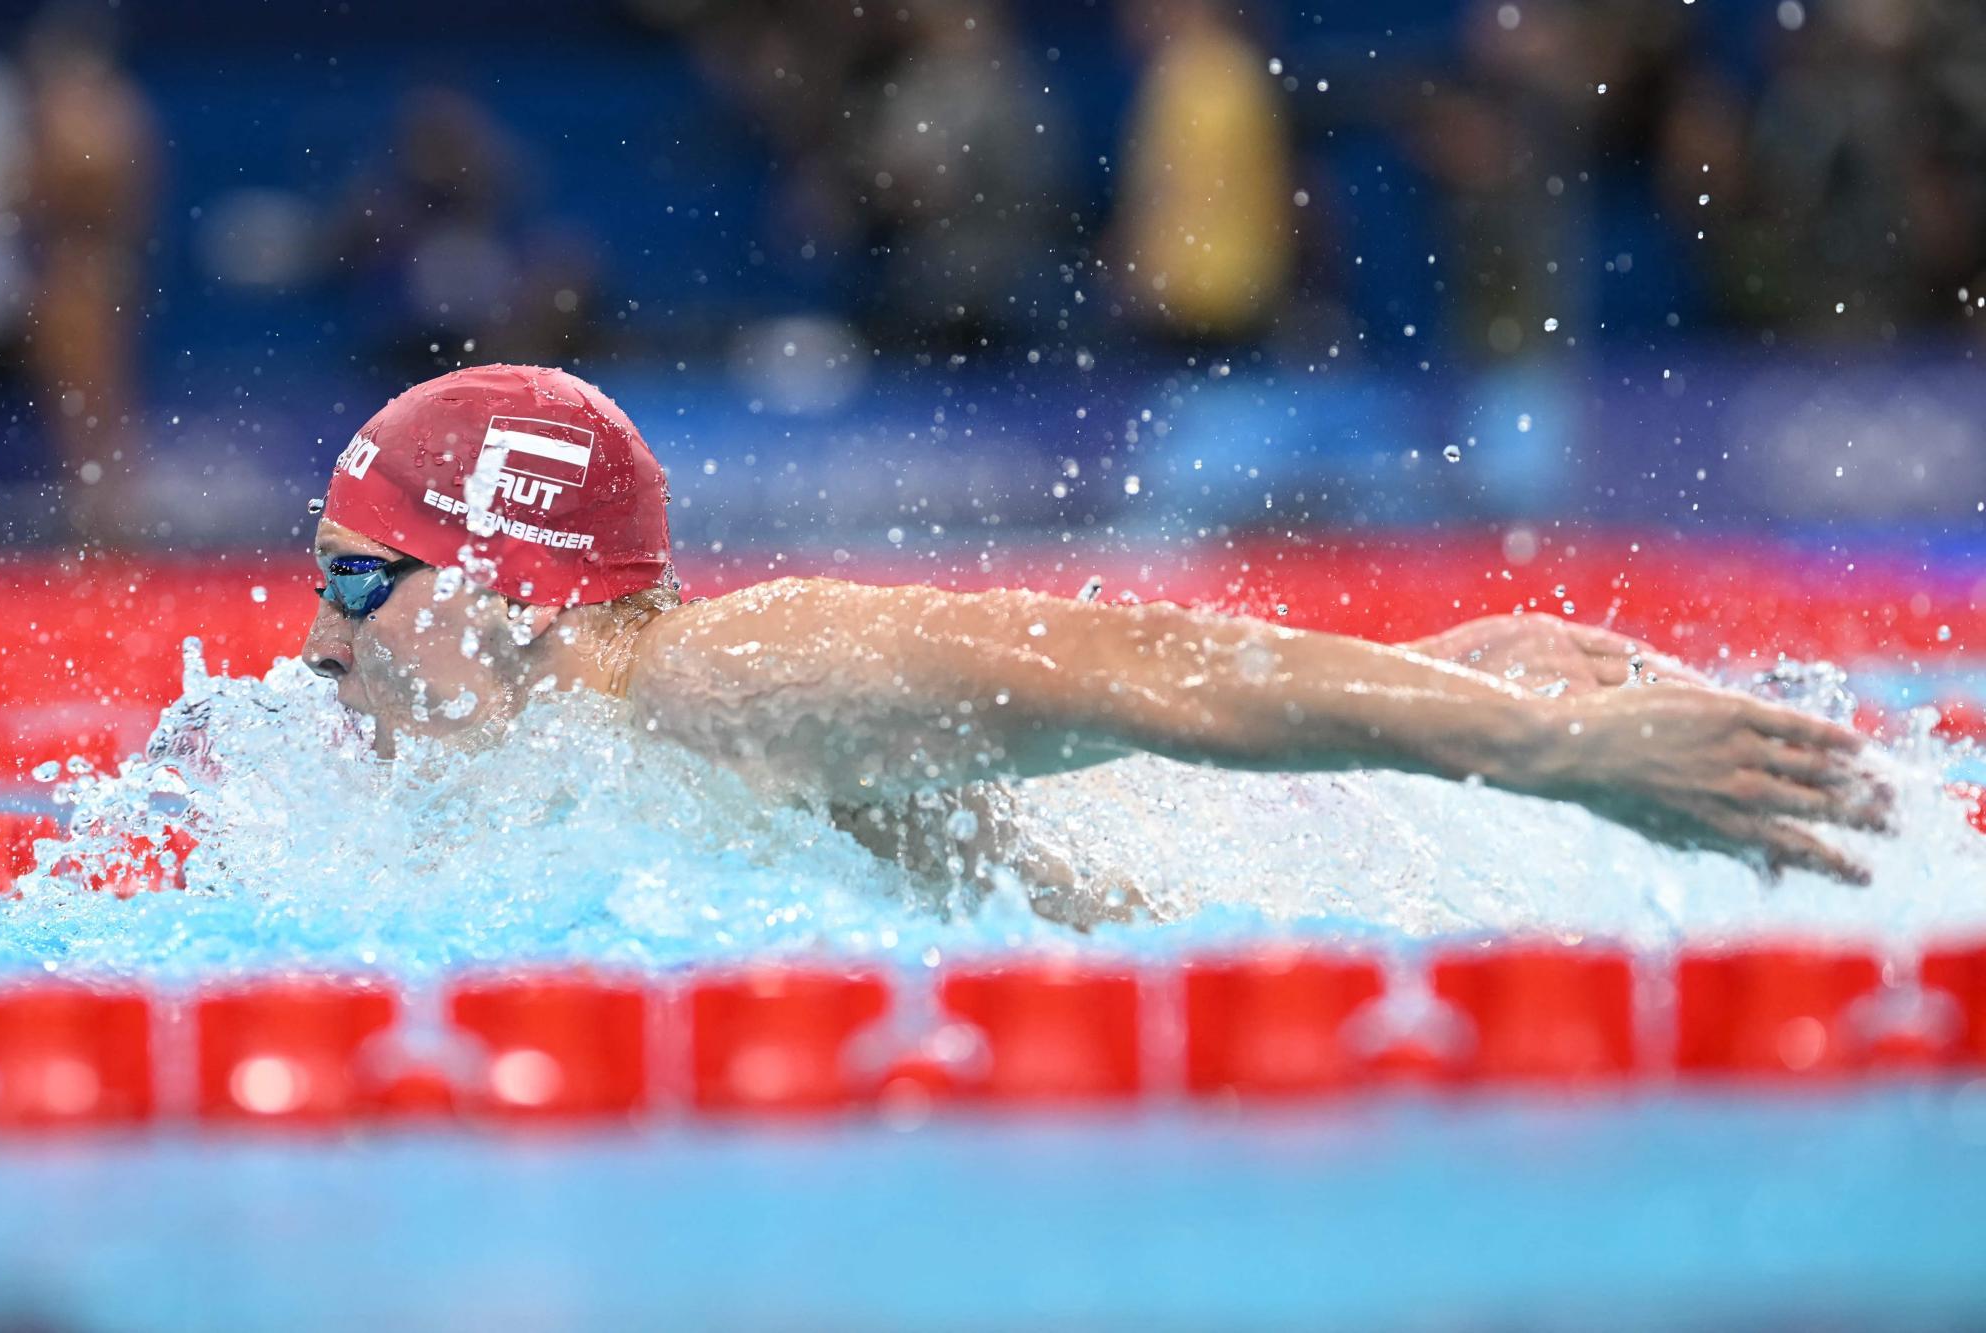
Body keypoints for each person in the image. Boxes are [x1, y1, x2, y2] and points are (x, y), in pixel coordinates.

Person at [303, 365, 1892, 925]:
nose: (317, 645)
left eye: (358, 583)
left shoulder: (721, 681)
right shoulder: (603, 762)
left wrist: (1555, 751)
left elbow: (1142, 662)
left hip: (1400, 876)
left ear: (508, 587)